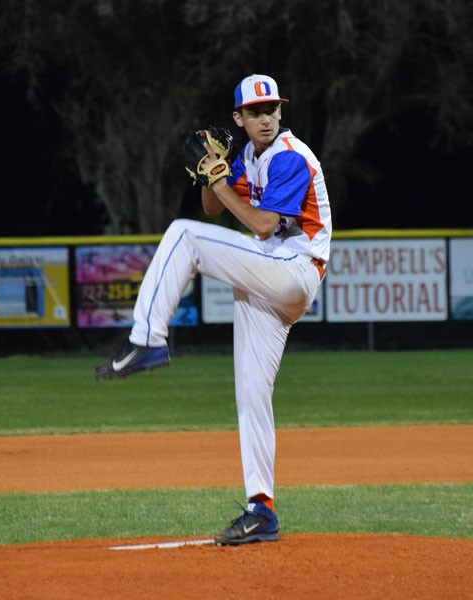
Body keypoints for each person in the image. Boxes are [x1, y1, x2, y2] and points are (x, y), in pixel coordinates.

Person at [95, 74, 332, 545]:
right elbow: (212, 207)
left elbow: (264, 225)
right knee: (252, 394)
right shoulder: (249, 155)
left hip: (293, 269)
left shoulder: (289, 156)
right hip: (269, 281)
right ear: (238, 119)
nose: (265, 118)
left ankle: (147, 340)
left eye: (272, 109)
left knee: (183, 236)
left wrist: (221, 182)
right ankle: (261, 510)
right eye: (256, 112)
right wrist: (210, 173)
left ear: (280, 113)